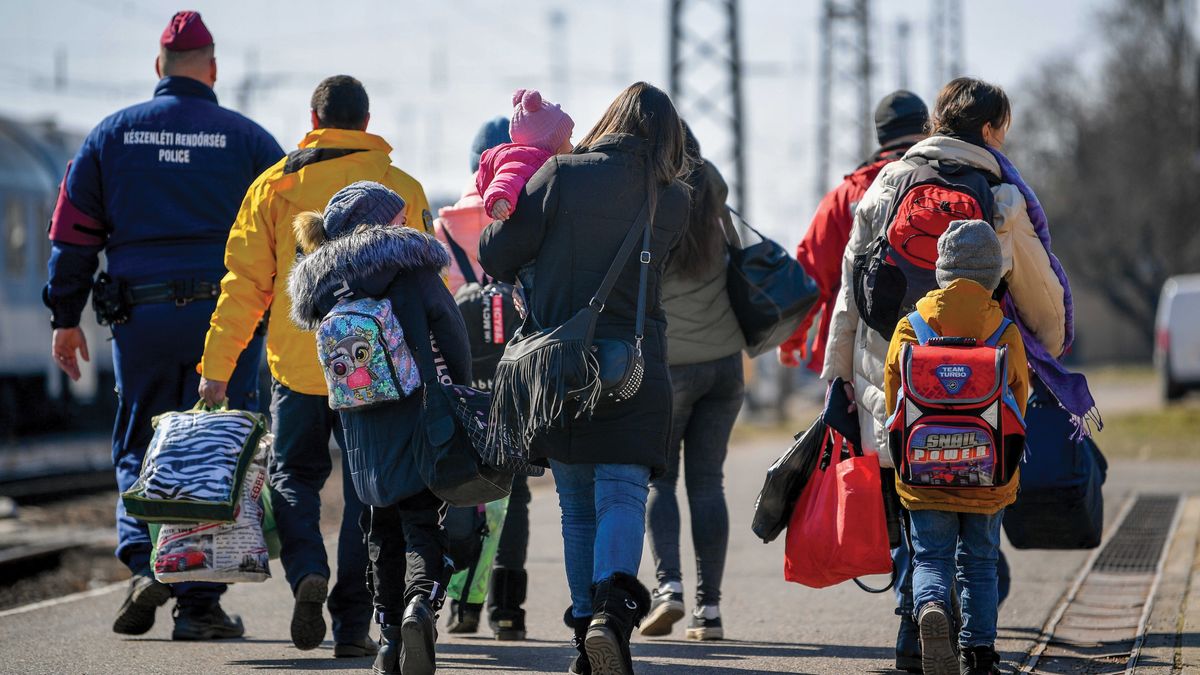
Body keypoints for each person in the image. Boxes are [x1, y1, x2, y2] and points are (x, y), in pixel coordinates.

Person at [42, 10, 282, 640]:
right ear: (213, 70)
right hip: (225, 321)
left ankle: (144, 562)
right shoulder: (250, 141)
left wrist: (65, 318)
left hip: (140, 317)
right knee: (216, 453)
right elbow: (287, 233)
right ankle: (199, 607)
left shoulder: (110, 136)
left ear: (159, 67)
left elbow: (72, 237)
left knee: (139, 446)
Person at [822, 76, 1069, 673]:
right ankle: (972, 642)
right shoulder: (1002, 195)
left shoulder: (888, 182)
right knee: (974, 531)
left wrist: (839, 375)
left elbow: (850, 290)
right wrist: (1051, 344)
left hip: (897, 382)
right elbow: (1038, 288)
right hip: (981, 389)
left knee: (918, 515)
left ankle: (914, 636)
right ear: (988, 129)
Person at [196, 76, 433, 656]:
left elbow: (244, 285)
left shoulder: (273, 186)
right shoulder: (400, 188)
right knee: (368, 493)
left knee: (293, 477)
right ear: (367, 122)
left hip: (299, 366)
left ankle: (307, 569)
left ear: (313, 118)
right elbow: (430, 287)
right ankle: (353, 626)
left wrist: (217, 367)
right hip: (374, 372)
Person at [479, 81, 691, 675]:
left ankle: (584, 641)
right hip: (634, 364)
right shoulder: (674, 199)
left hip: (561, 365)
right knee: (622, 493)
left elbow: (495, 253)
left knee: (575, 506)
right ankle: (611, 621)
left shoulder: (561, 176)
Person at [288, 182, 467, 675]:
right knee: (422, 522)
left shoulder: (325, 286)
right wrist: (460, 392)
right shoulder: (412, 267)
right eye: (399, 216)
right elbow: (451, 330)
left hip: (360, 425)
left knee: (379, 528)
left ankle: (388, 639)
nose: (406, 222)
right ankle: (420, 605)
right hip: (420, 413)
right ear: (378, 222)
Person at [883, 220, 1029, 675]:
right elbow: (1019, 403)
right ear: (993, 276)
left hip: (924, 471)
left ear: (941, 272)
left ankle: (930, 608)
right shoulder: (1004, 332)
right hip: (987, 476)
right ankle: (979, 656)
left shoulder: (910, 328)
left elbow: (892, 402)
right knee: (980, 563)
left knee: (931, 556)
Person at [640, 126, 744, 642]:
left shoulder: (652, 197)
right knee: (708, 484)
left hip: (669, 364)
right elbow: (740, 252)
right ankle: (710, 610)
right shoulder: (714, 192)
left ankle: (670, 588)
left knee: (660, 481)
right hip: (725, 364)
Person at [434, 116, 533, 641]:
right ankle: (508, 609)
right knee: (514, 491)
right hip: (517, 376)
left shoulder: (445, 229)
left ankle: (462, 604)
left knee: (461, 486)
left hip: (460, 376)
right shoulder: (528, 219)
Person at [779, 90, 928, 373]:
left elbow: (810, 274)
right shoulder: (944, 185)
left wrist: (790, 340)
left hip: (853, 354)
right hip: (929, 344)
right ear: (927, 129)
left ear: (882, 136)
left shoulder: (844, 197)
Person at [476, 89, 575, 221]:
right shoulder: (522, 163)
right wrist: (499, 198)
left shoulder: (540, 161)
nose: (572, 147)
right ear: (551, 143)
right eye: (568, 139)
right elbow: (506, 180)